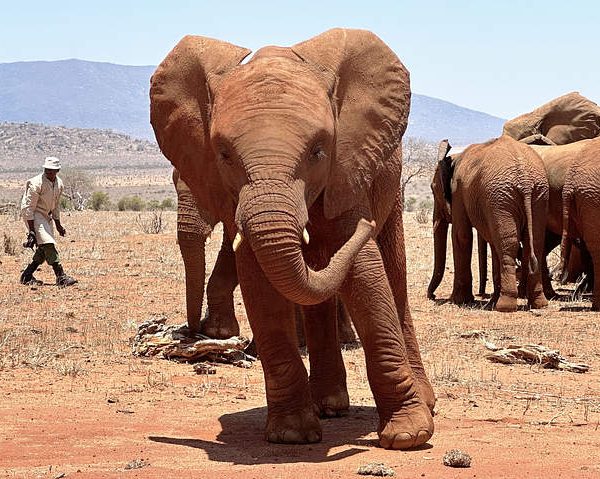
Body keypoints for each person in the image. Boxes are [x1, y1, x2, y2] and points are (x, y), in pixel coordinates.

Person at [20, 156, 77, 287]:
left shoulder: (59, 183)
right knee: (48, 243)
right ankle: (61, 276)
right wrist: (32, 231)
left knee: (43, 247)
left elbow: (55, 205)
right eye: (47, 170)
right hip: (33, 214)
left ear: (58, 170)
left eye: (53, 170)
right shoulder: (36, 183)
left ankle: (27, 275)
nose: (50, 172)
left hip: (46, 215)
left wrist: (58, 225)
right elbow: (28, 207)